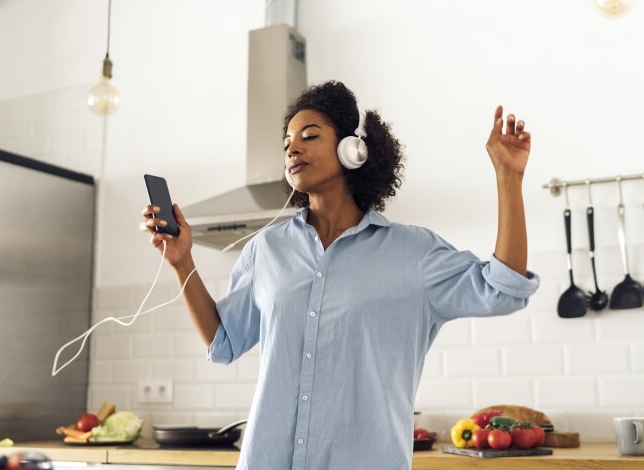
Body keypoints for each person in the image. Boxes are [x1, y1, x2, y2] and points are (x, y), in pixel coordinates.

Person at [142, 81, 539, 469]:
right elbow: (223, 340)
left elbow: (503, 288)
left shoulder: (413, 253)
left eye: (309, 136)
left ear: (353, 149)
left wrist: (509, 177)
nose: (293, 148)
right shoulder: (266, 250)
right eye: (286, 144)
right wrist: (182, 262)